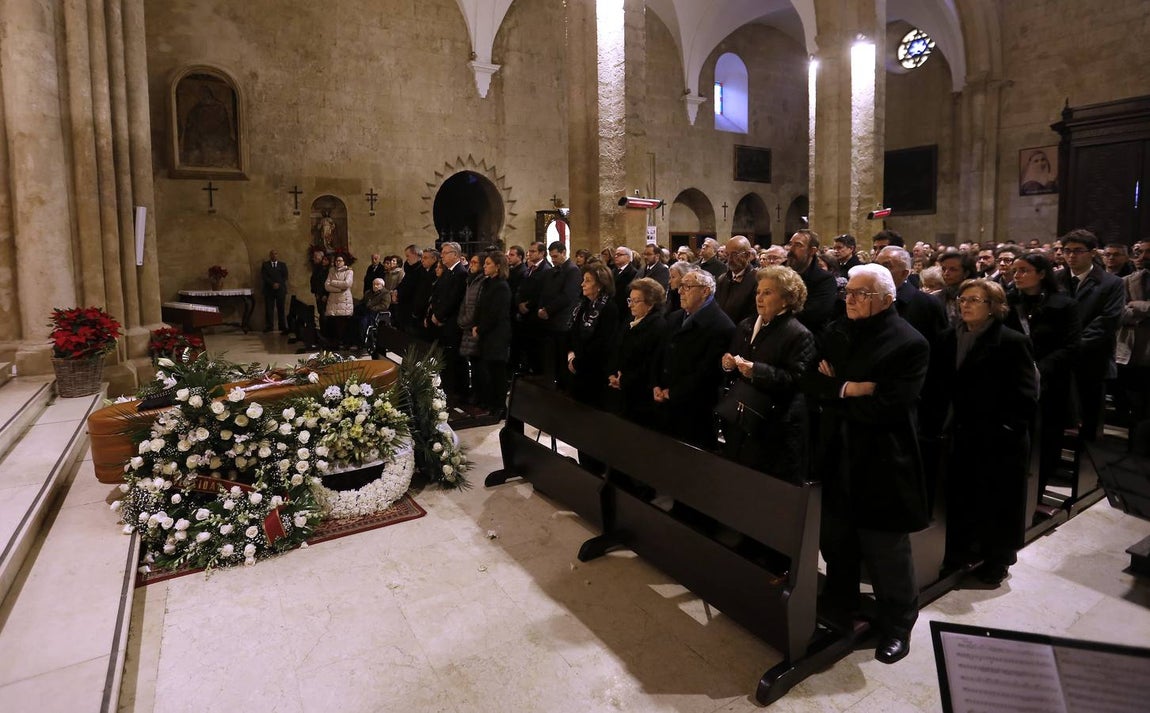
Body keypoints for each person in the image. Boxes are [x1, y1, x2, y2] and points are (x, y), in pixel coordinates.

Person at [803, 263, 930, 665]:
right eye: (849, 292)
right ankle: (840, 606)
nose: (851, 300)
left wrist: (834, 393)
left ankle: (897, 623)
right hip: (836, 455)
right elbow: (810, 380)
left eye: (861, 294)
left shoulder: (909, 343)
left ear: (887, 298)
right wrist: (847, 389)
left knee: (886, 550)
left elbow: (887, 408)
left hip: (882, 460)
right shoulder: (838, 330)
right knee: (837, 541)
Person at [924, 279, 1038, 585]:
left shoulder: (1011, 341)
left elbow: (1026, 393)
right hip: (960, 432)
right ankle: (960, 553)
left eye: (975, 300)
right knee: (962, 496)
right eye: (963, 299)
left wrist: (1007, 428)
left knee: (999, 500)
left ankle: (998, 558)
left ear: (994, 308)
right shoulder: (947, 337)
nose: (966, 305)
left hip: (999, 437)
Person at [718, 265, 815, 480]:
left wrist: (756, 370)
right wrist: (728, 364)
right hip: (741, 417)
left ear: (787, 299)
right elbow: (733, 359)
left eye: (767, 292)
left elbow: (797, 380)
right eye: (758, 292)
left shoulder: (798, 334)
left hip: (773, 425)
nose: (759, 298)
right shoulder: (747, 325)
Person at [1006, 253, 1080, 503]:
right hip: (1014, 382)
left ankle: (1036, 496)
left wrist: (1040, 367)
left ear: (1042, 274)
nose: (1017, 275)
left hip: (1051, 383)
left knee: (1047, 443)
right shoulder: (1008, 302)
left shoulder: (1064, 305)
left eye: (1024, 270)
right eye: (1015, 270)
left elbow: (1071, 347)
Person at [653, 269, 735, 450]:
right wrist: (657, 384)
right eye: (680, 286)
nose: (680, 291)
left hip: (695, 410)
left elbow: (707, 372)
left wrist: (673, 392)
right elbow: (660, 353)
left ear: (705, 291)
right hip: (666, 402)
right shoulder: (675, 317)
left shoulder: (721, 326)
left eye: (687, 287)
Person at [1057, 229, 1125, 440]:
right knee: (1059, 413)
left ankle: (1087, 454)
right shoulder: (1056, 278)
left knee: (1089, 411)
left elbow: (1107, 321)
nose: (1071, 256)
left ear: (1093, 253)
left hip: (1092, 357)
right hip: (1060, 357)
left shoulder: (1111, 283)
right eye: (1067, 251)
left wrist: (1073, 345)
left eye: (1078, 251)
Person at [608, 277, 667, 425]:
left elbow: (649, 362)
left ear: (651, 302)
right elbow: (617, 347)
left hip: (640, 394)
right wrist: (613, 373)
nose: (631, 305)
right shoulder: (631, 320)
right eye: (630, 300)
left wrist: (624, 380)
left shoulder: (657, 326)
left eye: (636, 301)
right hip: (623, 388)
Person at [566, 263, 620, 412]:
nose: (582, 284)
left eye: (588, 280)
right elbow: (574, 333)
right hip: (576, 365)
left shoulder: (609, 308)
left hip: (595, 371)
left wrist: (578, 362)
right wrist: (571, 354)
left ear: (600, 285)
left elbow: (603, 343)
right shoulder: (584, 305)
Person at [874, 246, 947, 346]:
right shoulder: (868, 298)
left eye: (887, 266)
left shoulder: (928, 304)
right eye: (876, 265)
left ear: (904, 273)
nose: (879, 271)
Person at [471, 252, 513, 419]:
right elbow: (480, 307)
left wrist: (480, 328)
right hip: (486, 333)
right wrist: (476, 325)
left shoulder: (502, 286)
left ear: (497, 266)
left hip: (497, 335)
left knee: (497, 373)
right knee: (488, 371)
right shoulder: (488, 283)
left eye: (488, 263)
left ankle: (500, 407)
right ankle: (490, 403)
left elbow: (496, 313)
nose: (484, 266)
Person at [786, 229, 838, 335]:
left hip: (807, 335)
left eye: (798, 245)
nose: (791, 249)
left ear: (812, 251)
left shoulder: (825, 280)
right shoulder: (781, 272)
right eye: (790, 244)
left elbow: (814, 315)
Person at [714, 235, 758, 325]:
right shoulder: (722, 279)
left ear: (747, 255)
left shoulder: (757, 280)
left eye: (734, 254)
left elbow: (754, 315)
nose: (729, 259)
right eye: (727, 254)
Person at [323, 253, 355, 347]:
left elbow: (347, 284)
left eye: (340, 261)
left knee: (342, 323)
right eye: (336, 261)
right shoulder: (332, 270)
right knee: (333, 322)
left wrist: (333, 282)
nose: (338, 262)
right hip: (333, 300)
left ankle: (343, 342)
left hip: (344, 300)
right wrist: (339, 289)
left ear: (344, 262)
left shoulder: (349, 271)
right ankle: (334, 342)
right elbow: (327, 286)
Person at [260, 249, 288, 333]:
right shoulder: (265, 265)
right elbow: (264, 276)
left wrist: (278, 284)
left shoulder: (282, 265)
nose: (274, 255)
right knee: (269, 309)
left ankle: (282, 326)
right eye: (272, 254)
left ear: (277, 255)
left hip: (280, 289)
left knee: (281, 308)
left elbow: (285, 276)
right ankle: (269, 326)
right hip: (269, 290)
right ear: (270, 255)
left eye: (275, 254)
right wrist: (272, 284)